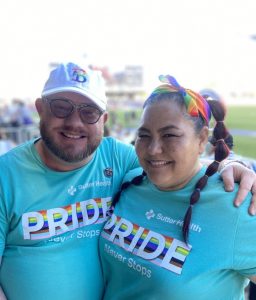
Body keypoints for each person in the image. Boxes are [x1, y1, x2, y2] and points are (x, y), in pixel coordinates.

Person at [0, 63, 254, 300]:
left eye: (89, 112)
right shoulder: (132, 178)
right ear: (40, 109)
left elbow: (177, 164)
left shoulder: (117, 159)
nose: (75, 122)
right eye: (61, 107)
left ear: (104, 121)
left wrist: (231, 164)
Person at [99, 75, 256, 300]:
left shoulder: (235, 206)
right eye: (144, 135)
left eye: (170, 135)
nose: (153, 149)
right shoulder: (129, 181)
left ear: (202, 139)